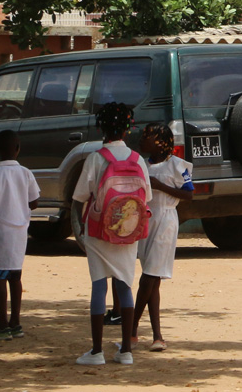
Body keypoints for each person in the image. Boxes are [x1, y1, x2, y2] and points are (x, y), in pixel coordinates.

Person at [70, 102, 148, 366]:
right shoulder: (138, 160)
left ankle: (96, 351)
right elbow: (145, 197)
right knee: (125, 284)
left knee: (99, 285)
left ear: (101, 127)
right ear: (127, 129)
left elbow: (80, 196)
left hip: (99, 231)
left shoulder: (96, 158)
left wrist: (79, 227)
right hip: (129, 232)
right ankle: (126, 350)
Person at [132, 122, 193, 352]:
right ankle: (157, 336)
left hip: (165, 221)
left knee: (148, 277)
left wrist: (160, 187)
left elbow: (189, 194)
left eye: (146, 138)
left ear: (159, 142)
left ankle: (132, 329)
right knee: (153, 279)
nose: (141, 141)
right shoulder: (142, 164)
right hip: (146, 220)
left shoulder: (176, 166)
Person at [0, 130, 40, 340]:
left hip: (0, 231)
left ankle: (3, 325)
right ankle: (16, 322)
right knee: (15, 275)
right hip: (20, 232)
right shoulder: (26, 173)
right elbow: (34, 202)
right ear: (18, 148)